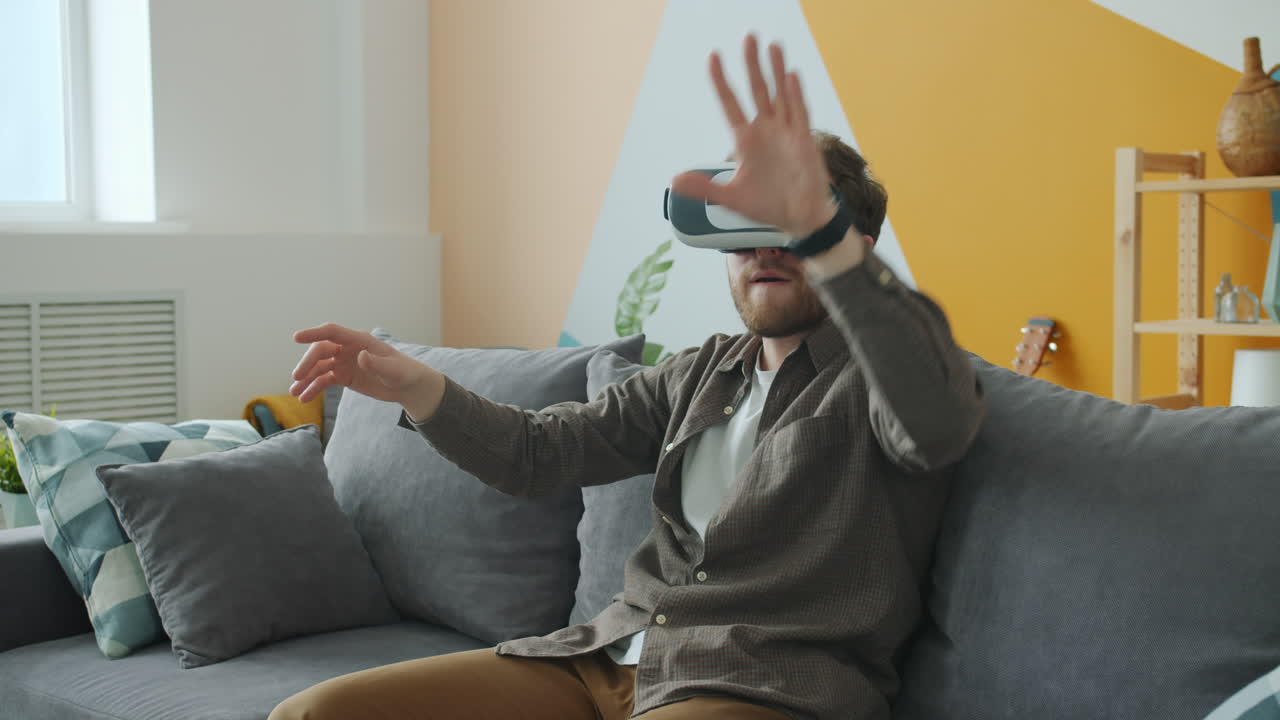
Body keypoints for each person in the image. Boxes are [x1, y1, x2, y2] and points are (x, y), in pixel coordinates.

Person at [273, 34, 983, 720]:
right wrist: (415, 386)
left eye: (793, 223)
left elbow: (935, 421)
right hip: (607, 659)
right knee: (314, 711)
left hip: (761, 687)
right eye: (744, 221)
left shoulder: (886, 378)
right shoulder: (700, 372)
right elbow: (537, 452)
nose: (763, 246)